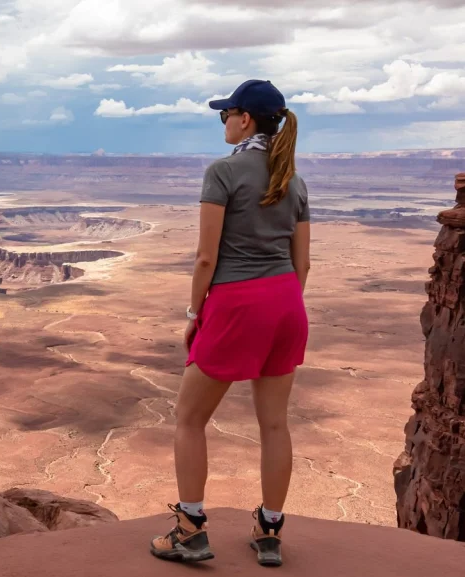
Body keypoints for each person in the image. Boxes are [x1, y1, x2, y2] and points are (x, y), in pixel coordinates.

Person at [149, 79, 311, 568]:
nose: (222, 121)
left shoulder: (223, 172)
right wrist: (279, 308)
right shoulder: (294, 181)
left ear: (244, 119)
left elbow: (205, 258)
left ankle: (190, 529)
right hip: (286, 303)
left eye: (226, 114)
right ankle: (270, 531)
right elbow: (302, 264)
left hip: (237, 303)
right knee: (275, 424)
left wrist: (196, 314)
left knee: (189, 419)